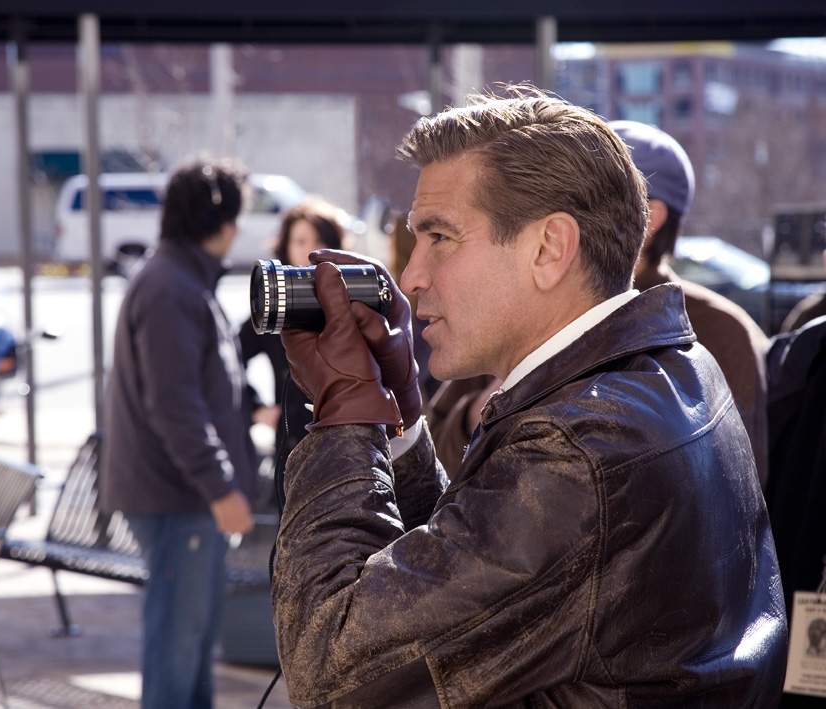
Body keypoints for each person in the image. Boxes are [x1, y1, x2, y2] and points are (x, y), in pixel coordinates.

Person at [270, 90, 786, 707]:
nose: (411, 276)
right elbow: (471, 578)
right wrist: (399, 420)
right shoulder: (670, 368)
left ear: (549, 248)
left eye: (440, 236)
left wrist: (346, 418)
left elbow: (330, 670)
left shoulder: (580, 451)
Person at [101, 160, 256, 709]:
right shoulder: (171, 287)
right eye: (237, 217)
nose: (240, 230)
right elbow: (175, 405)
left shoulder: (177, 278)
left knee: (189, 641)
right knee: (177, 646)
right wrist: (220, 487)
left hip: (179, 495)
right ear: (218, 222)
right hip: (178, 498)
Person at [608, 121, 771, 488]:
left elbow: (737, 487)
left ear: (650, 218)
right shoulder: (538, 310)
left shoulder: (718, 330)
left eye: (590, 197)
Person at [238, 199, 344, 473]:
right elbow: (226, 356)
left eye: (319, 239)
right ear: (285, 246)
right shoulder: (273, 307)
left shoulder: (351, 299)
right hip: (291, 448)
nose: (310, 249)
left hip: (346, 446)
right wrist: (256, 407)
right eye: (300, 241)